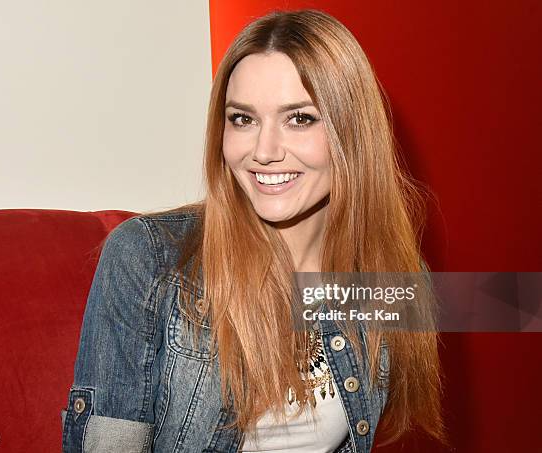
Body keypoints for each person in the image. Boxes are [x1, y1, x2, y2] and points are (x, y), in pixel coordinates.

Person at [61, 9, 446, 453]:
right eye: (242, 119)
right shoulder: (148, 258)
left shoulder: (390, 277)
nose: (264, 151)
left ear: (353, 134)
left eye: (299, 118)